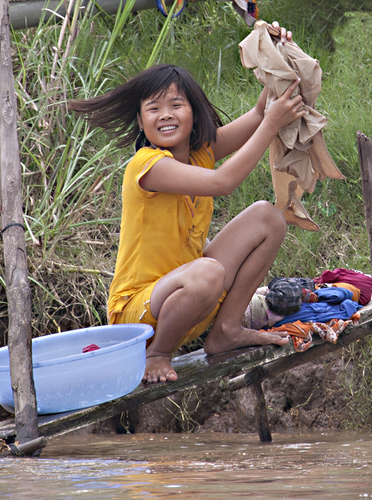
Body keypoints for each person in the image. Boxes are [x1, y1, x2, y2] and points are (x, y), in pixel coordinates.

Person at [69, 24, 305, 384]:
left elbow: (260, 112)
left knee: (268, 217)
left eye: (176, 105)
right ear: (140, 120)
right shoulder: (147, 164)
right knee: (208, 271)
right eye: (154, 108)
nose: (165, 114)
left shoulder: (200, 153)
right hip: (139, 313)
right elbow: (223, 182)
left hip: (191, 295)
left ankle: (226, 329)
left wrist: (276, 50)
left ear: (193, 112)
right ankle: (158, 354)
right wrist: (272, 125)